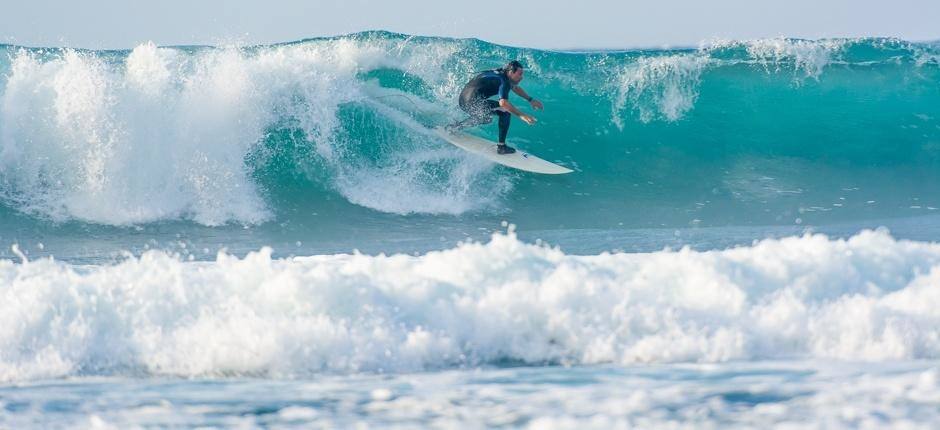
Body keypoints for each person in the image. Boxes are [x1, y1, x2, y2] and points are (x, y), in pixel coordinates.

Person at [448, 60, 544, 154]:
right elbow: (503, 103)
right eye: (519, 74)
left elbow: (514, 87)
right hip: (472, 103)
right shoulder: (504, 81)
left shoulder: (500, 73)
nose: (521, 77)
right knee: (505, 111)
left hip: (463, 101)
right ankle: (501, 147)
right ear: (511, 72)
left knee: (485, 118)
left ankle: (455, 127)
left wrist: (530, 100)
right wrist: (522, 115)